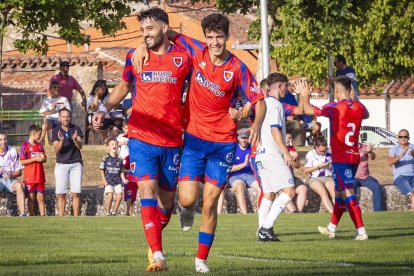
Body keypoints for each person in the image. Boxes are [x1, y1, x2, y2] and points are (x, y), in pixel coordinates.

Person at [92, 8, 192, 272]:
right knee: (146, 191)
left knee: (168, 204)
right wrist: (103, 109)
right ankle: (158, 254)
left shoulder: (184, 58)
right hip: (141, 137)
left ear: (164, 28)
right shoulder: (134, 57)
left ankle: (154, 240)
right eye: (142, 31)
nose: (145, 35)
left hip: (172, 140)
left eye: (150, 29)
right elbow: (124, 86)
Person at [165, 13, 266, 272]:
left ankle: (201, 259)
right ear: (205, 37)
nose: (214, 42)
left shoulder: (237, 68)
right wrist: (143, 47)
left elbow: (259, 101)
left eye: (219, 37)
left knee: (210, 203)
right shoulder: (195, 49)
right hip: (195, 141)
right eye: (210, 37)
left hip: (223, 144)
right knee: (188, 199)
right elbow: (166, 33)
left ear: (227, 37)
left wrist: (253, 123)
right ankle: (185, 210)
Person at [297, 75, 370, 240]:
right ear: (350, 90)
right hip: (354, 156)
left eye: (334, 89)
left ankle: (361, 231)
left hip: (341, 158)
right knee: (338, 194)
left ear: (336, 90)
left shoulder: (336, 107)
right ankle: (331, 228)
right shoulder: (358, 107)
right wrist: (353, 96)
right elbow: (366, 114)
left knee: (347, 192)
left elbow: (309, 110)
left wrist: (304, 95)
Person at [255, 72, 296, 242]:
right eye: (285, 86)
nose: (287, 89)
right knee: (289, 190)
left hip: (261, 154)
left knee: (269, 193)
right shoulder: (276, 105)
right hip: (272, 154)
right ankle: (266, 228)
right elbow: (274, 129)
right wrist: (286, 152)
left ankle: (261, 230)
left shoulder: (262, 104)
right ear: (279, 86)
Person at [52, 108, 83, 216]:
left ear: (70, 117)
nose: (66, 119)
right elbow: (56, 150)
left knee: (76, 193)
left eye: (68, 116)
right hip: (61, 164)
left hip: (76, 164)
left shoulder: (76, 128)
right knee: (61, 194)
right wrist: (61, 141)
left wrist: (75, 140)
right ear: (59, 118)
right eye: (63, 116)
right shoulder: (56, 130)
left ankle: (75, 218)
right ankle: (61, 217)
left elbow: (80, 146)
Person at [225, 128, 261, 214]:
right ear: (238, 138)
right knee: (239, 187)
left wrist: (252, 165)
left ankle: (260, 212)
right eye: (242, 138)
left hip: (250, 176)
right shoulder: (233, 149)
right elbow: (229, 168)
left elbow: (256, 167)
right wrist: (244, 164)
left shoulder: (252, 148)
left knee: (261, 188)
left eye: (246, 138)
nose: (244, 140)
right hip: (235, 176)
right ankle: (244, 213)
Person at [20, 125, 47, 216]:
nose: (40, 136)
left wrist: (43, 159)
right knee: (31, 198)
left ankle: (43, 216)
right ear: (33, 134)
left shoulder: (39, 145)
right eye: (39, 134)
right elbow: (22, 161)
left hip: (40, 177)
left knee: (41, 198)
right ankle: (31, 216)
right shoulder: (24, 146)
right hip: (30, 177)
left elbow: (45, 159)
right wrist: (35, 159)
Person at [304, 137, 335, 213]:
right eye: (320, 151)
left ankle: (339, 212)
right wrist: (318, 167)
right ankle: (333, 213)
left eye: (324, 150)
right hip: (315, 178)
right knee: (323, 193)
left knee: (334, 192)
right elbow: (305, 170)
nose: (322, 152)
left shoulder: (330, 152)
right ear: (316, 147)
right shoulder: (310, 154)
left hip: (327, 177)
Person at [0, 131, 27, 216]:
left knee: (19, 185)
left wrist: (11, 174)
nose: (3, 141)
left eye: (5, 139)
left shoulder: (13, 151)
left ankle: (22, 214)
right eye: (0, 140)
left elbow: (19, 172)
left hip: (11, 180)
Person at [388, 129, 414, 211]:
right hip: (400, 176)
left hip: (412, 176)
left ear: (408, 138)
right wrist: (400, 156)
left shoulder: (412, 147)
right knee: (411, 193)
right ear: (398, 138)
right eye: (401, 137)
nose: (403, 138)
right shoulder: (394, 148)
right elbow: (390, 162)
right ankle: (412, 200)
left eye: (405, 136)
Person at [100, 139, 128, 216]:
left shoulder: (119, 158)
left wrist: (124, 179)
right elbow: (101, 170)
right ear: (109, 146)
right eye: (112, 144)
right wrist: (104, 180)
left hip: (117, 181)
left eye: (115, 144)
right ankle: (107, 212)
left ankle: (114, 211)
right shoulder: (105, 157)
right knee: (110, 196)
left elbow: (121, 171)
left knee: (119, 197)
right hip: (109, 181)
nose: (114, 146)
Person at [354, 143, 383, 212]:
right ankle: (351, 211)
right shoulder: (347, 148)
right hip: (353, 177)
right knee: (350, 188)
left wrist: (369, 151)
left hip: (365, 177)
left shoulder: (364, 147)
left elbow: (373, 157)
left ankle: (378, 212)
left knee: (376, 187)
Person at [285, 131, 308, 213]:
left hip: (291, 177)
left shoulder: (292, 148)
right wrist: (287, 155)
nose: (289, 140)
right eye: (287, 138)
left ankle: (298, 212)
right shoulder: (276, 148)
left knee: (303, 189)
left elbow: (298, 166)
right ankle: (293, 212)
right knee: (287, 191)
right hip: (280, 178)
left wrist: (294, 160)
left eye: (290, 138)